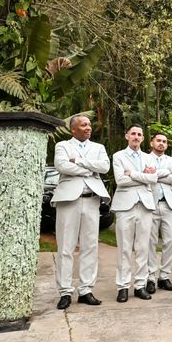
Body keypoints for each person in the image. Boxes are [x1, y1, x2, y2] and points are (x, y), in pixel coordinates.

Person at [52, 114, 111, 310]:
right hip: (69, 200)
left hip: (92, 200)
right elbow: (62, 165)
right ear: (73, 129)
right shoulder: (62, 146)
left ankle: (86, 290)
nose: (88, 127)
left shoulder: (99, 148)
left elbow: (104, 167)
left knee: (90, 246)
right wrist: (89, 169)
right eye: (83, 125)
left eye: (89, 124)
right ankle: (65, 292)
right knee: (66, 248)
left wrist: (79, 161)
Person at [112, 125, 158, 302]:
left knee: (142, 247)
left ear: (143, 138)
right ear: (127, 136)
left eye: (139, 134)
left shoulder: (149, 157)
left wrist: (132, 174)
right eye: (133, 134)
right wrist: (142, 176)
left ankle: (140, 285)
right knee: (124, 248)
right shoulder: (118, 156)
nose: (136, 137)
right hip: (125, 206)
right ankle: (123, 286)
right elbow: (120, 180)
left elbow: (153, 179)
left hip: (145, 205)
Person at [146, 133, 172, 294]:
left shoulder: (171, 161)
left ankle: (164, 276)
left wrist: (156, 174)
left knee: (170, 240)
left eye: (164, 142)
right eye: (158, 141)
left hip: (169, 204)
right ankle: (150, 278)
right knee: (151, 242)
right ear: (152, 142)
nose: (161, 143)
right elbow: (146, 177)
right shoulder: (145, 158)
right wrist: (164, 172)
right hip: (150, 205)